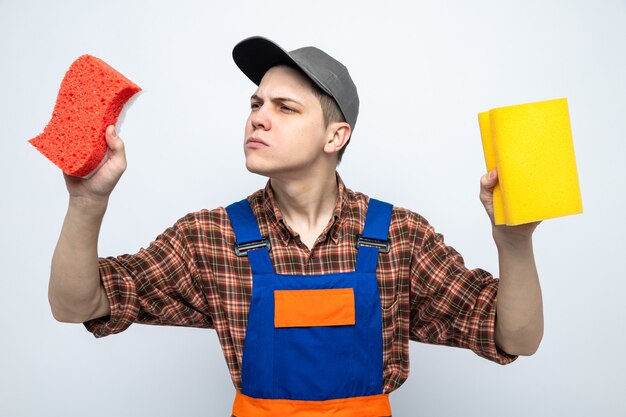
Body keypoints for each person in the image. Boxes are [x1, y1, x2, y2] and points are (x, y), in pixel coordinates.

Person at [48, 36, 543, 416]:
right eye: (256, 104)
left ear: (336, 135)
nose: (259, 119)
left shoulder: (399, 237)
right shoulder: (211, 238)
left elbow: (516, 338)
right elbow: (76, 305)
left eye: (285, 108)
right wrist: (87, 202)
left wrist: (514, 241)